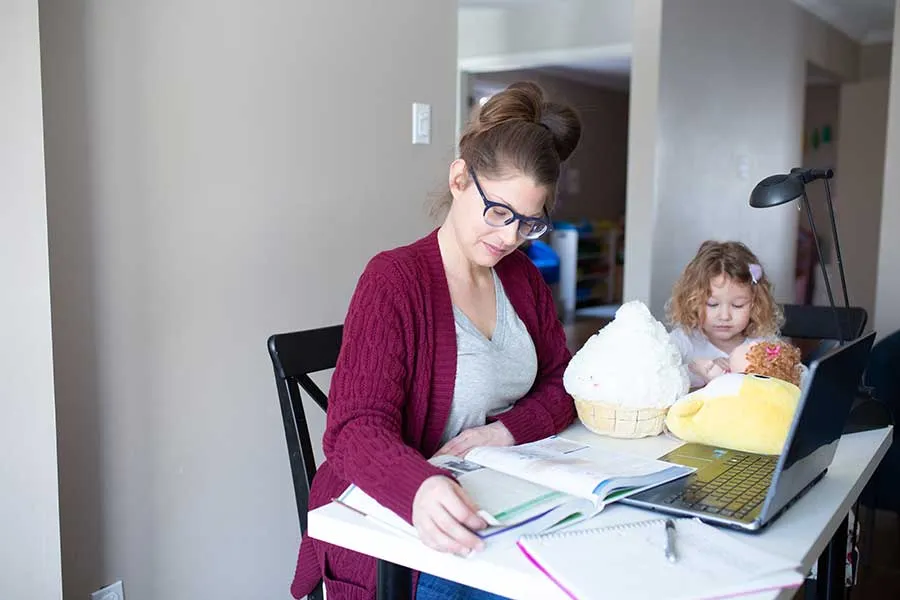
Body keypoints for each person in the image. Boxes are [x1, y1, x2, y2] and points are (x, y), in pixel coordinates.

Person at [290, 81, 582, 600]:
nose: (510, 237)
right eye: (499, 212)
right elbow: (354, 429)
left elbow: (565, 381)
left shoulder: (522, 279)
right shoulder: (393, 280)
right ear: (459, 179)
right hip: (396, 519)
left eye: (528, 223)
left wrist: (505, 432)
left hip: (495, 494)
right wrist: (419, 485)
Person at [667, 240, 782, 389]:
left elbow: (800, 376)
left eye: (737, 305)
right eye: (712, 304)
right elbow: (659, 377)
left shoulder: (762, 345)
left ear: (755, 304)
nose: (724, 316)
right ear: (692, 301)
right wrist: (700, 373)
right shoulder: (683, 342)